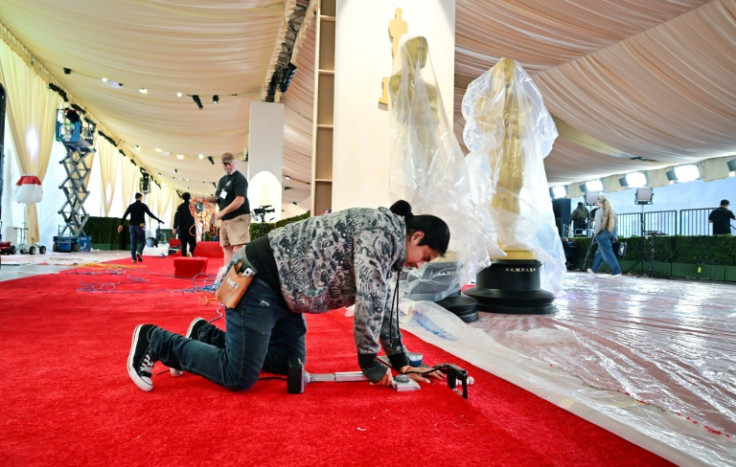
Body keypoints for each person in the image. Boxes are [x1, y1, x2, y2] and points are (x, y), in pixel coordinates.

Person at [127, 200, 449, 392]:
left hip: (285, 295)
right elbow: (370, 302)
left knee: (289, 364)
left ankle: (205, 334)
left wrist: (400, 363)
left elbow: (383, 304)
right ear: (416, 235)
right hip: (259, 280)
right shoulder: (382, 233)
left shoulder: (390, 244)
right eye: (425, 256)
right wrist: (369, 361)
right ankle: (157, 341)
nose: (419, 265)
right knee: (239, 377)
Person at [198, 153, 250, 266]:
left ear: (234, 163)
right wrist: (204, 199)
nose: (227, 166)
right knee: (226, 247)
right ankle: (227, 273)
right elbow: (218, 197)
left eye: (229, 164)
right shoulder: (222, 180)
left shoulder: (239, 179)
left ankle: (239, 277)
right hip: (225, 220)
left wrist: (221, 213)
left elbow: (240, 200)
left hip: (238, 218)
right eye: (225, 164)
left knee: (238, 248)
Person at [118, 192, 163, 263]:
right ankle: (139, 251)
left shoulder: (131, 206)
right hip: (141, 225)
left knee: (133, 243)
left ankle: (133, 259)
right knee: (143, 241)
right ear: (140, 198)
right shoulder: (143, 206)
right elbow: (150, 214)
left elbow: (125, 215)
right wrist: (158, 219)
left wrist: (121, 224)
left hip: (132, 225)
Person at [587, 195, 622, 277]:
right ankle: (594, 270)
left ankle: (617, 271)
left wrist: (595, 234)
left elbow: (598, 225)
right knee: (600, 252)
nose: (597, 204)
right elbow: (615, 225)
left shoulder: (598, 212)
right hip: (611, 234)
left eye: (597, 202)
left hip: (602, 235)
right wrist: (615, 235)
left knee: (608, 254)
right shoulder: (613, 212)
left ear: (599, 203)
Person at [173, 192, 197, 256]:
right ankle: (190, 253)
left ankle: (184, 257)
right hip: (191, 229)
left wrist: (175, 227)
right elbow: (197, 214)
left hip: (182, 229)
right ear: (189, 198)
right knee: (193, 244)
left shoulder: (180, 207)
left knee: (183, 244)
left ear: (183, 198)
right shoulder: (193, 206)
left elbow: (177, 218)